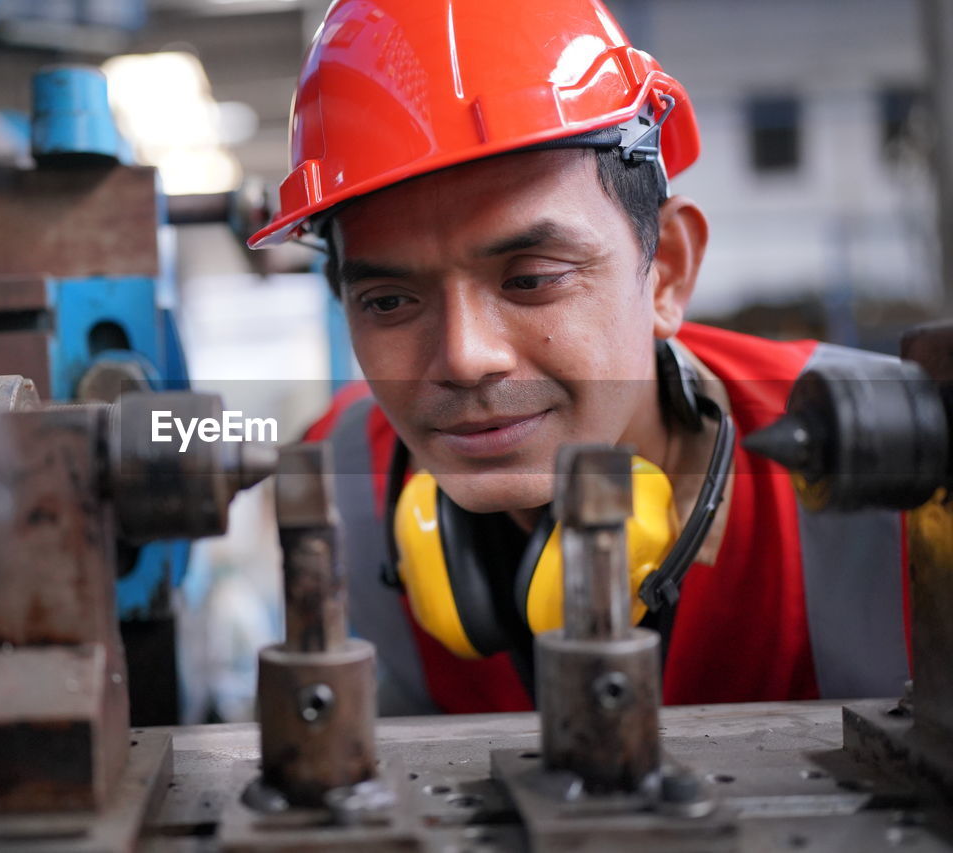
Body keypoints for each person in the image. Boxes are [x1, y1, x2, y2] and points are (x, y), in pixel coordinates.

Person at [249, 0, 910, 715]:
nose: (466, 358)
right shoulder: (339, 475)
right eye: (387, 302)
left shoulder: (895, 474)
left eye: (531, 278)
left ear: (667, 272)